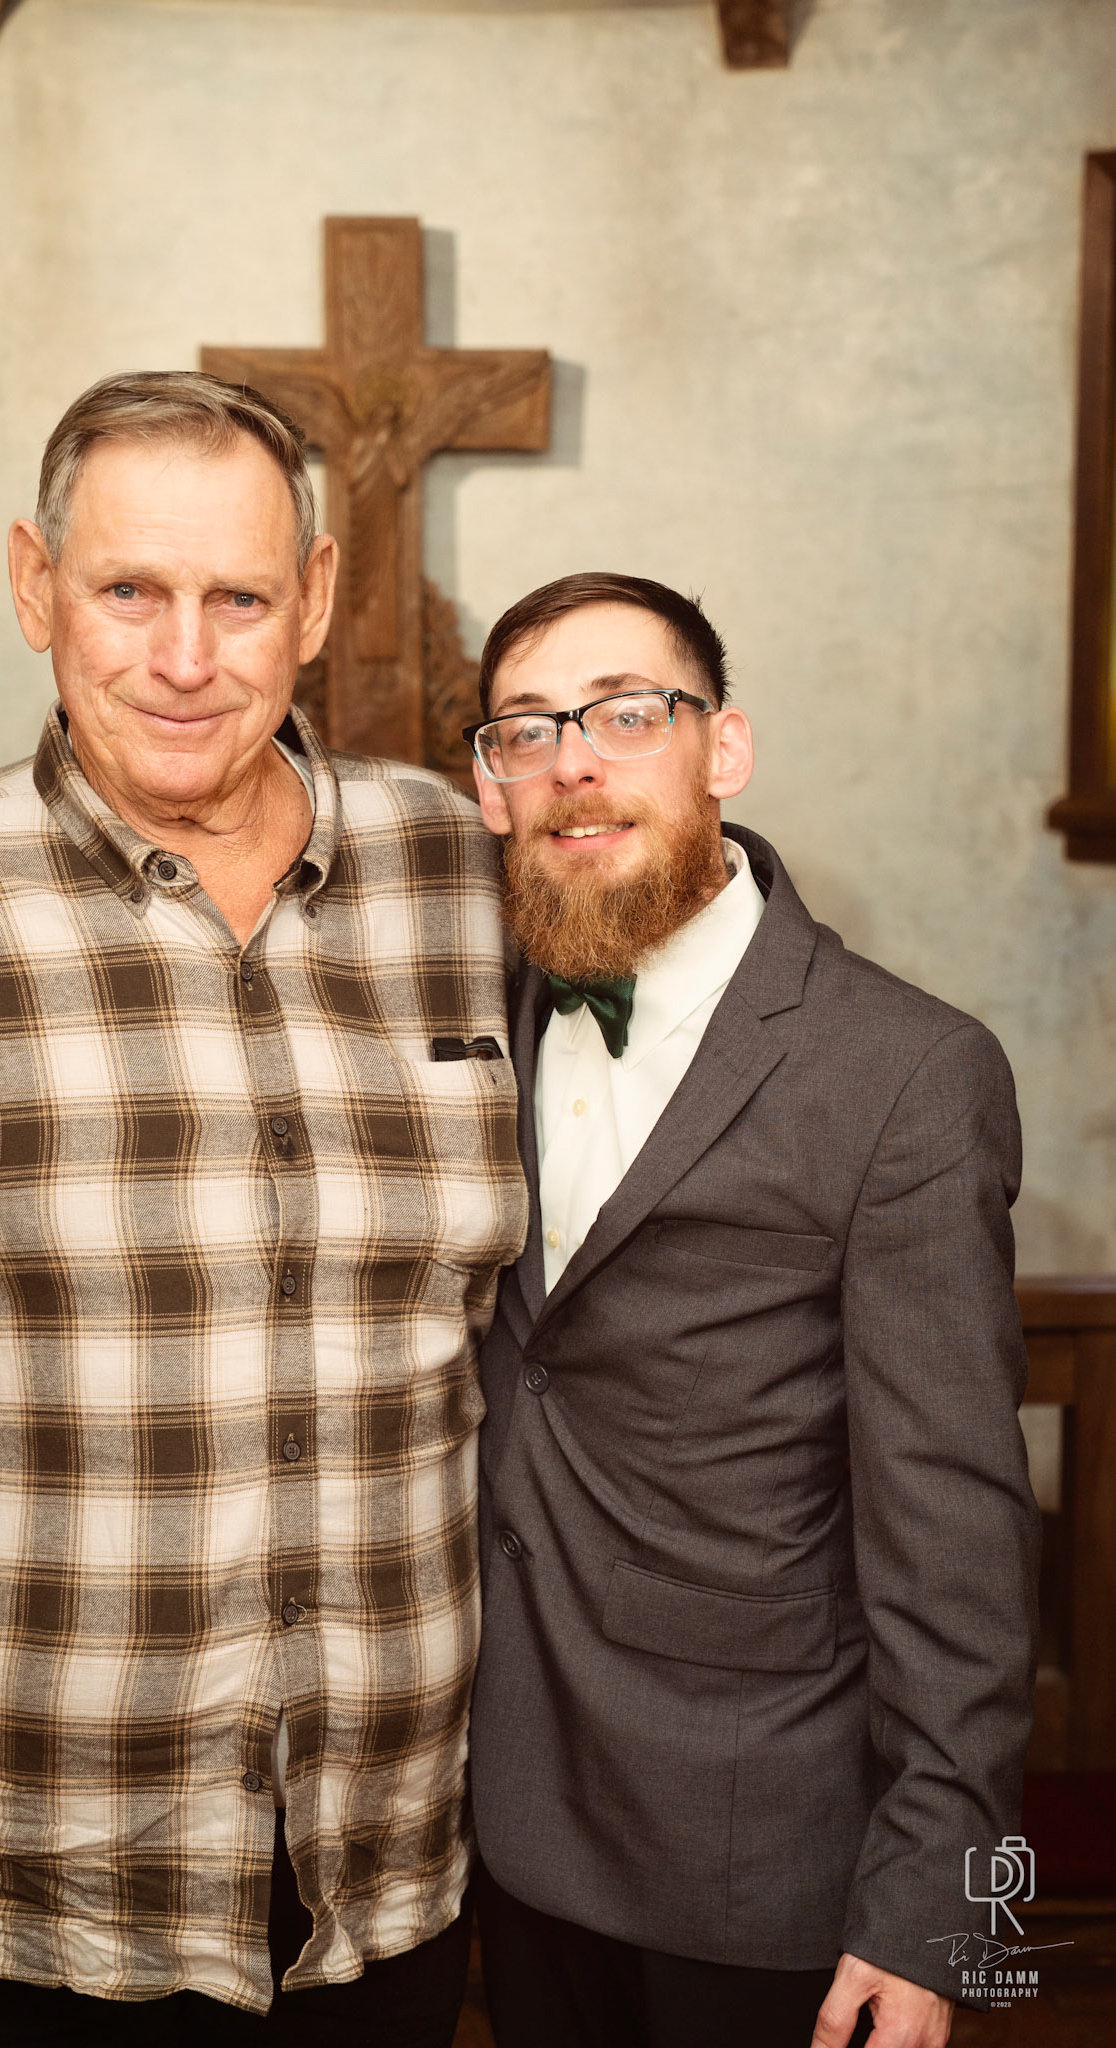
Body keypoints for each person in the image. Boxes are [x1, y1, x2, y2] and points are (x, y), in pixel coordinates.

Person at [0, 371, 528, 2046]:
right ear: (35, 585)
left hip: (383, 1880)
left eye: (238, 598)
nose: (185, 659)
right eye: (128, 591)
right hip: (9, 1884)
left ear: (314, 600)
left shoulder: (468, 883)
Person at [461, 572, 1040, 2048]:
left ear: (722, 749)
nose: (572, 762)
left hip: (761, 1849)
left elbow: (957, 1529)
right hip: (505, 1822)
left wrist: (944, 1919)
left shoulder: (904, 1072)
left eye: (625, 715)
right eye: (526, 729)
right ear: (488, 786)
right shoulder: (475, 1001)